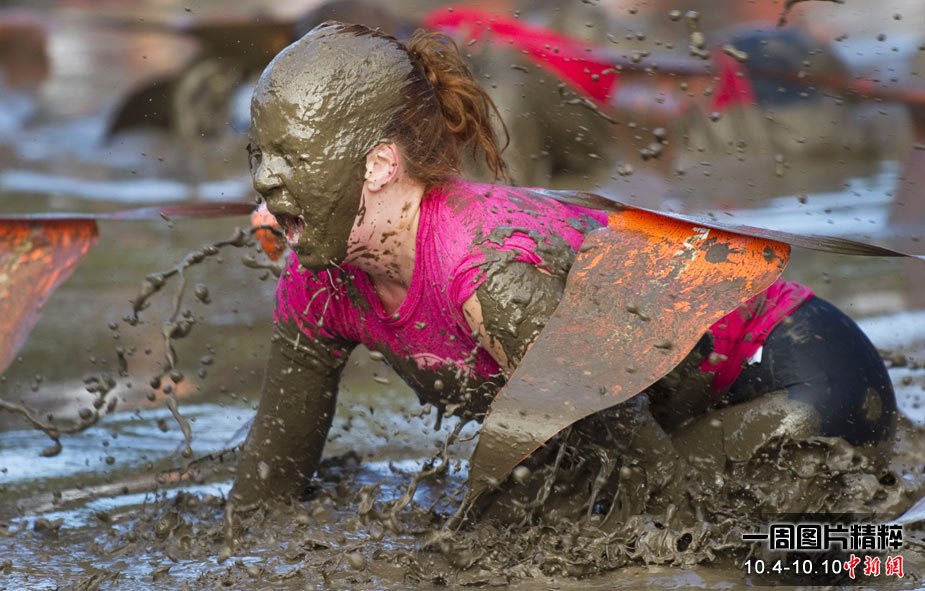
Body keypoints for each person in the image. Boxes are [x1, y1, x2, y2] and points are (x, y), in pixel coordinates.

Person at [228, 22, 897, 509]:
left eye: (291, 157)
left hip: (798, 376)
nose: (264, 180)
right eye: (259, 155)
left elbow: (650, 484)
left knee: (703, 538)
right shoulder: (314, 281)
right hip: (675, 409)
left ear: (379, 164)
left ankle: (875, 560)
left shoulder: (487, 275)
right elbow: (268, 484)